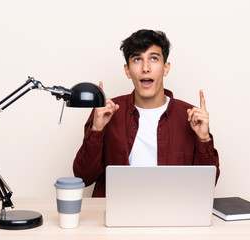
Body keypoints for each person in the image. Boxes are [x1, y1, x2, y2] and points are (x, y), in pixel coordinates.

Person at [73, 29, 220, 197]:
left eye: (154, 59)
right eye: (137, 59)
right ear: (127, 70)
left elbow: (206, 186)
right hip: (118, 213)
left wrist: (204, 139)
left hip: (171, 213)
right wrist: (96, 130)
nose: (145, 68)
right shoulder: (105, 112)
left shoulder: (190, 117)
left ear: (166, 68)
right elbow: (83, 177)